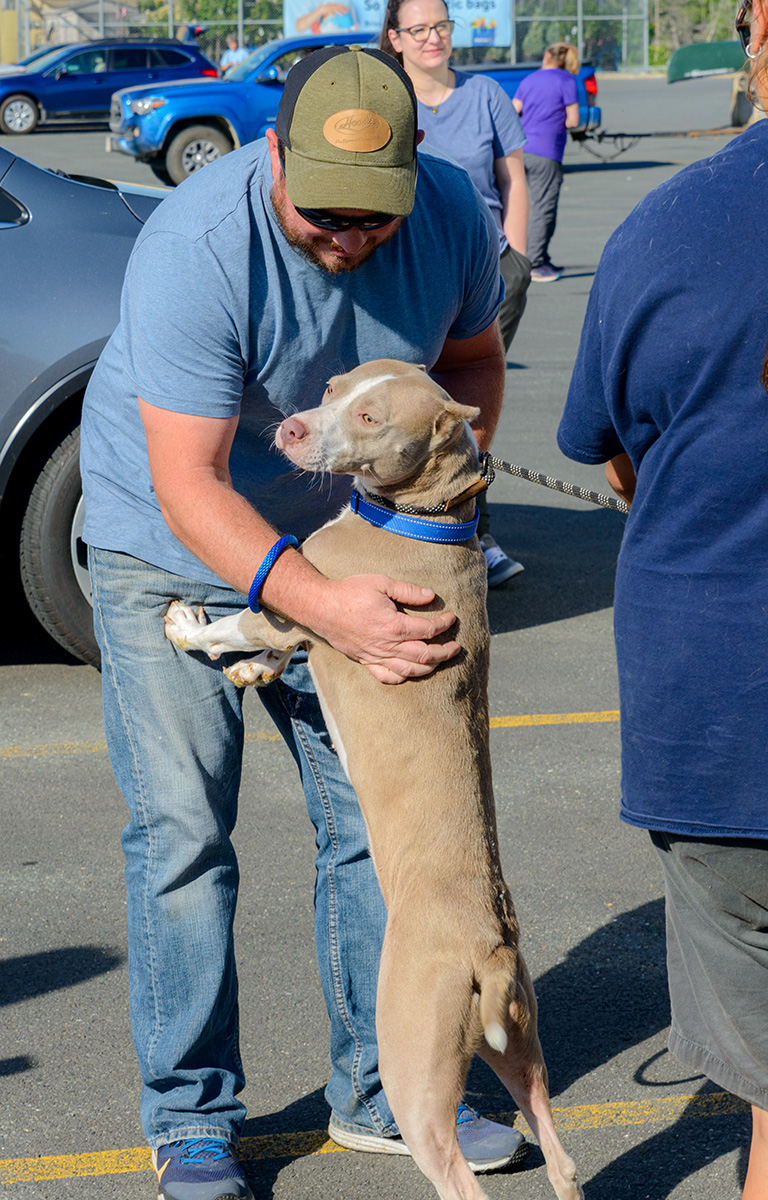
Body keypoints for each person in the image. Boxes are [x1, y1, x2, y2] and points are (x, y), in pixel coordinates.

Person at [79, 44, 527, 1200]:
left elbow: (471, 368)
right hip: (169, 547)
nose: (349, 238)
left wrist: (431, 514)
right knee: (184, 837)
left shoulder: (448, 218)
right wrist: (326, 607)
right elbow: (189, 485)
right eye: (324, 213)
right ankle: (191, 1119)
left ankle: (386, 1091)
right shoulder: (198, 245)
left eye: (373, 217)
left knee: (378, 828)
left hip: (345, 542)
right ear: (272, 153)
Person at [557, 1, 768, 1196]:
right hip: (728, 749)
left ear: (754, 32)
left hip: (725, 745)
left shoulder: (663, 227)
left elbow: (614, 455)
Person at [381, 0, 528, 586]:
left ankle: (473, 531)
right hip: (409, 276)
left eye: (441, 25)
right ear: (395, 36)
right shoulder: (389, 96)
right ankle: (405, 532)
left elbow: (512, 177)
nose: (433, 37)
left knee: (468, 403)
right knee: (412, 408)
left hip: (486, 273)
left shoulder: (485, 94)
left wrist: (517, 256)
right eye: (418, 29)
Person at [512, 42, 579, 283]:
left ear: (546, 55)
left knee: (526, 205)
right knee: (544, 209)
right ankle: (535, 263)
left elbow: (514, 109)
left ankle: (540, 256)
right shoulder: (566, 81)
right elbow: (573, 120)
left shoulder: (529, 79)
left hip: (523, 149)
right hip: (547, 152)